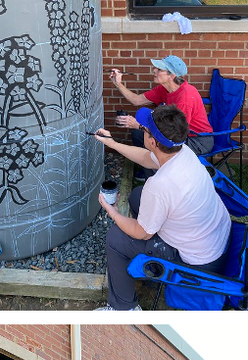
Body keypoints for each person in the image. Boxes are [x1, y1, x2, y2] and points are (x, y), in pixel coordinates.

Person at [94, 105, 231, 312]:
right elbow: (145, 157)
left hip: (199, 263)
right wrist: (112, 143)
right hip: (215, 238)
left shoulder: (160, 186)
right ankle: (150, 269)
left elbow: (142, 233)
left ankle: (123, 308)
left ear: (153, 141)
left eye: (145, 129)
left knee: (116, 238)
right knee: (137, 196)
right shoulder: (183, 151)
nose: (143, 129)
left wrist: (111, 210)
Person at [110, 55, 214, 160]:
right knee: (139, 134)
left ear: (171, 76)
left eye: (159, 69)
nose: (154, 70)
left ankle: (158, 171)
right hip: (177, 133)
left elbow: (174, 134)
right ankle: (147, 169)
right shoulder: (163, 89)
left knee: (158, 144)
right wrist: (118, 84)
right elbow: (136, 100)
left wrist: (139, 125)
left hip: (197, 141)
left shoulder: (185, 98)